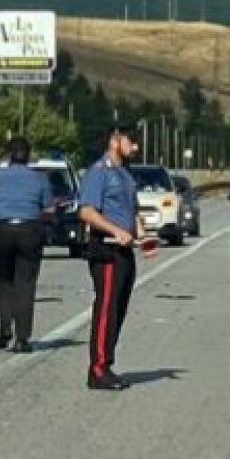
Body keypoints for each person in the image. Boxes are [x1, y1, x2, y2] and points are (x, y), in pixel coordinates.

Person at [78, 124, 143, 391]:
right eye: (133, 142)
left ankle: (107, 362)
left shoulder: (125, 176)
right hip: (106, 248)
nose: (136, 148)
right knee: (106, 308)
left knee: (119, 308)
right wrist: (116, 231)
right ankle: (97, 368)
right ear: (116, 139)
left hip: (125, 250)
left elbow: (132, 212)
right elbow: (87, 212)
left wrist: (141, 232)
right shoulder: (99, 172)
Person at [0, 137, 54, 353]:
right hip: (29, 231)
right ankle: (22, 338)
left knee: (3, 282)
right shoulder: (39, 179)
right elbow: (49, 210)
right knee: (25, 285)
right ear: (28, 156)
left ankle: (4, 330)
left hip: (1, 230)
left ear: (8, 155)